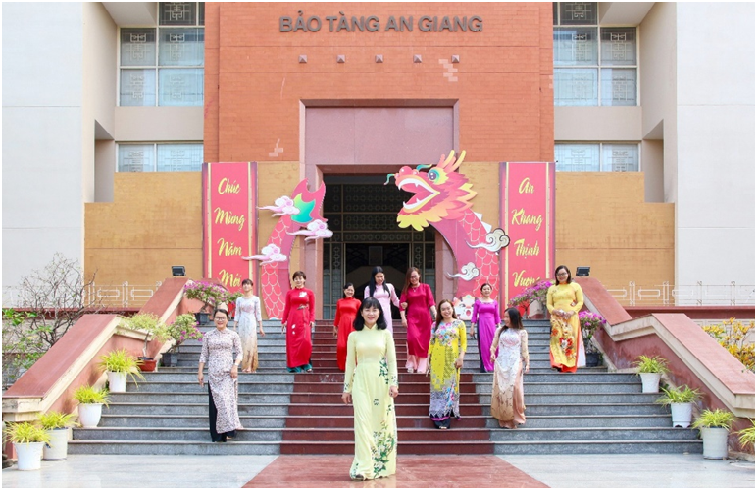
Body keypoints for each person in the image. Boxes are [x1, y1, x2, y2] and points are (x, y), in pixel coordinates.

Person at [341, 297, 399, 481]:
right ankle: (363, 466)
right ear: (361, 312)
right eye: (367, 310)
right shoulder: (354, 336)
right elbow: (350, 363)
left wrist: (393, 383)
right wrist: (347, 388)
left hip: (381, 382)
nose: (371, 313)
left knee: (380, 422)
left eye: (374, 310)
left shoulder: (385, 334)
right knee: (362, 423)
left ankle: (380, 463)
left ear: (380, 312)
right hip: (361, 381)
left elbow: (392, 361)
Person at [197, 308, 244, 442]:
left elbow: (240, 353)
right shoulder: (208, 336)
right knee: (215, 404)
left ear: (227, 320)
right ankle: (217, 434)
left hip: (228, 373)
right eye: (217, 317)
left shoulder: (233, 335)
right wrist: (200, 372)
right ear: (214, 319)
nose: (220, 320)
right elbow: (204, 355)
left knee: (226, 402)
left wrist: (235, 366)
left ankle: (229, 431)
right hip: (213, 374)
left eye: (223, 318)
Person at [428, 299, 467, 429]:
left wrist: (461, 357)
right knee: (438, 387)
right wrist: (428, 360)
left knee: (450, 386)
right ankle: (438, 416)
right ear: (439, 311)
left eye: (448, 308)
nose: (446, 311)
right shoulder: (435, 325)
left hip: (452, 360)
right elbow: (431, 342)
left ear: (452, 308)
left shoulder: (459, 324)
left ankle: (447, 415)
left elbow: (464, 343)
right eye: (443, 309)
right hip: (437, 360)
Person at [490, 307, 530, 429]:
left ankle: (516, 416)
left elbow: (524, 350)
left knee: (515, 388)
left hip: (515, 362)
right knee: (503, 390)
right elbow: (493, 346)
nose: (505, 319)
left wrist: (527, 363)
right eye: (504, 316)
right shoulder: (500, 331)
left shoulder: (522, 332)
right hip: (502, 362)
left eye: (507, 317)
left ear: (514, 317)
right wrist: (492, 354)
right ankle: (504, 418)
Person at [546, 265, 585, 373]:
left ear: (568, 274)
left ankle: (569, 366)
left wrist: (572, 312)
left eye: (563, 274)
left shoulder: (575, 286)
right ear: (556, 276)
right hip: (557, 318)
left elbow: (580, 302)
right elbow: (549, 304)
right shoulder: (552, 288)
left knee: (570, 341)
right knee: (556, 340)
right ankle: (557, 363)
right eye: (559, 274)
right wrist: (554, 311)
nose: (561, 276)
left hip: (571, 318)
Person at [399, 267, 437, 374]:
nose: (413, 279)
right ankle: (411, 364)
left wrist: (435, 314)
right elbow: (401, 305)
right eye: (411, 277)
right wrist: (403, 318)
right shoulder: (406, 290)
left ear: (419, 276)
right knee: (412, 339)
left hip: (425, 318)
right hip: (412, 318)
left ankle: (422, 367)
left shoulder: (426, 287)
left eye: (415, 276)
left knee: (425, 342)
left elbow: (431, 302)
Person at [281, 270, 316, 373]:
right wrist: (283, 321)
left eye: (300, 278)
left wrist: (312, 319)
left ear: (304, 279)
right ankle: (294, 366)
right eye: (296, 279)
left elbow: (312, 308)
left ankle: (306, 363)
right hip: (293, 320)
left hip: (305, 319)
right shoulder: (290, 293)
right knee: (293, 343)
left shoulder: (309, 293)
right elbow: (287, 308)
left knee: (306, 341)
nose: (298, 280)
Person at [232, 278, 264, 373]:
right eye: (244, 284)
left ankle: (249, 366)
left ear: (251, 286)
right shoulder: (239, 299)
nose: (246, 286)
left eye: (248, 284)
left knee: (250, 344)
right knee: (242, 344)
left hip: (251, 322)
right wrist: (234, 326)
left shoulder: (255, 299)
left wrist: (261, 327)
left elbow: (258, 313)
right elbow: (237, 313)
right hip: (242, 322)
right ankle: (244, 365)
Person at [470, 283, 500, 372]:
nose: (486, 290)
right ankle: (484, 367)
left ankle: (494, 365)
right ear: (481, 291)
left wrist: (499, 326)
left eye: (488, 289)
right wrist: (472, 328)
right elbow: (474, 315)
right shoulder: (478, 302)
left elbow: (497, 315)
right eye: (484, 289)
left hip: (492, 325)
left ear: (491, 291)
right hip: (482, 324)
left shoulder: (494, 302)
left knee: (494, 344)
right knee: (483, 344)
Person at [364, 266, 401, 333]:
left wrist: (403, 305)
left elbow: (395, 300)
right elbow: (366, 304)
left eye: (381, 276)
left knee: (387, 331)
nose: (380, 278)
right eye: (378, 277)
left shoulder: (389, 286)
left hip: (386, 313)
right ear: (374, 277)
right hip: (374, 314)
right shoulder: (368, 288)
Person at [334, 282, 361, 371]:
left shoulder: (357, 302)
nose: (350, 292)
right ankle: (342, 365)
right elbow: (337, 315)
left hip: (353, 325)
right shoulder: (339, 301)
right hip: (342, 325)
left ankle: (353, 365)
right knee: (341, 345)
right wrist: (335, 326)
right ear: (344, 291)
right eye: (348, 290)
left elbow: (360, 315)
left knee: (352, 345)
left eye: (351, 290)